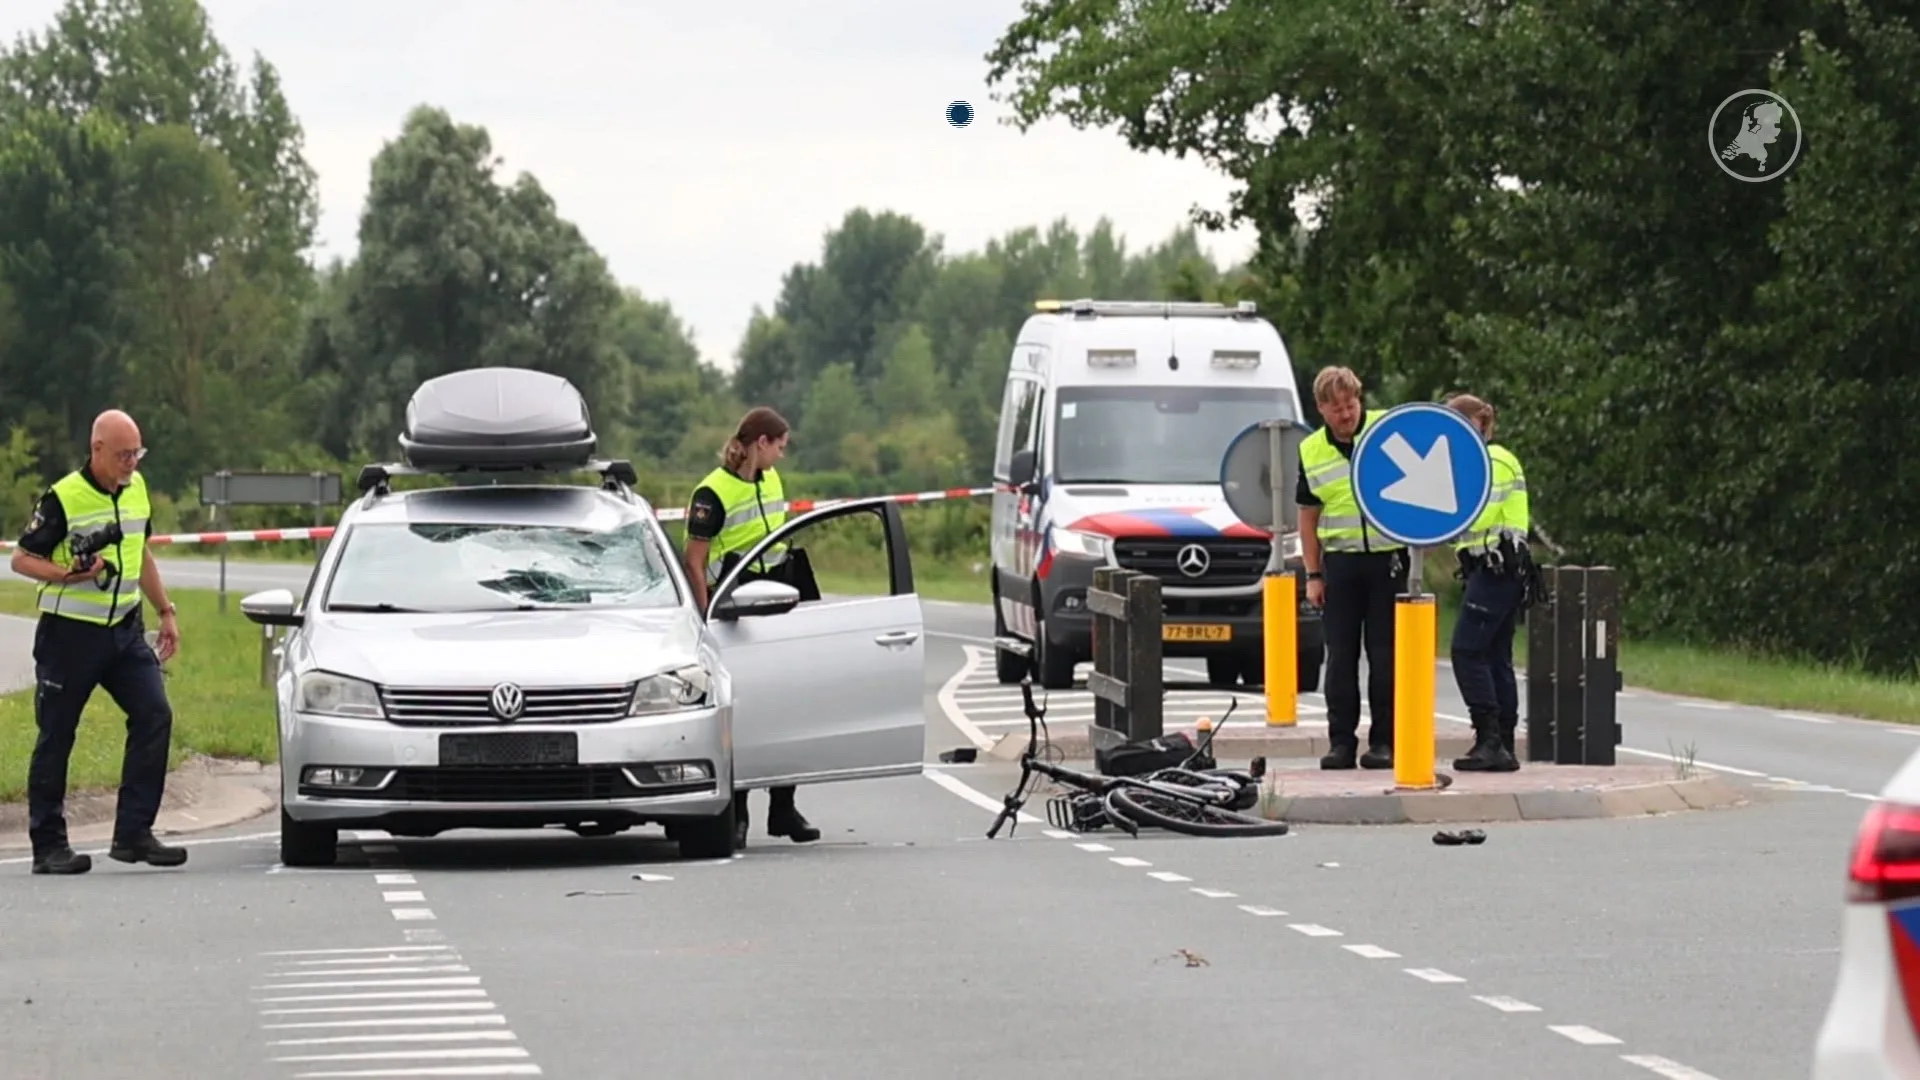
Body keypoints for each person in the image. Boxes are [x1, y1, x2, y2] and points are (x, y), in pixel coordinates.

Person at [8, 409, 186, 875]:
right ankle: (49, 847)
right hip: (69, 634)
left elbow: (139, 550)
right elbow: (23, 560)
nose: (132, 463)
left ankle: (132, 835)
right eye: (124, 455)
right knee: (57, 736)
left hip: (125, 629)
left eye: (137, 454)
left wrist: (165, 610)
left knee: (154, 714)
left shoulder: (137, 488)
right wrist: (68, 573)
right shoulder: (64, 497)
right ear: (98, 450)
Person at [682, 406, 822, 848]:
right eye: (779, 446)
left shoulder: (772, 480)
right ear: (760, 442)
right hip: (735, 609)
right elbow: (695, 560)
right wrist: (707, 620)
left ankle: (783, 808)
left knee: (788, 706)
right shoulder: (712, 492)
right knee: (738, 715)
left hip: (777, 598)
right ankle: (738, 814)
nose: (782, 455)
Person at [1295, 366, 1409, 770]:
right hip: (1341, 563)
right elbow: (1308, 518)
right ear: (1322, 409)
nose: (1347, 415)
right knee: (1340, 658)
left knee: (1385, 657)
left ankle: (1384, 743)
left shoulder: (1385, 430)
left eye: (1351, 405)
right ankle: (1341, 743)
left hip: (1387, 557)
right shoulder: (1311, 450)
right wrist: (1313, 574)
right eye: (1337, 408)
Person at [1443, 393, 1532, 772]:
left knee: (1466, 651)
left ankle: (1490, 739)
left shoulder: (1493, 460)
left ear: (1476, 424)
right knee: (1496, 657)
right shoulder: (1489, 460)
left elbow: (1476, 512)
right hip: (1498, 572)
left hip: (1496, 569)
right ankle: (1503, 744)